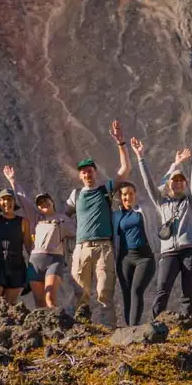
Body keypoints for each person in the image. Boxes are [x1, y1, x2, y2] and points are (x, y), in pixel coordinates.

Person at [132, 131, 192, 319]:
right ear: (169, 184)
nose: (178, 183)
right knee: (162, 290)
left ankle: (188, 326)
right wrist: (141, 157)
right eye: (175, 180)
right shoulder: (161, 201)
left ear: (185, 184)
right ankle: (157, 323)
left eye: (181, 181)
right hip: (169, 252)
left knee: (189, 293)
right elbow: (148, 184)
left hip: (191, 250)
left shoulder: (191, 201)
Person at [65, 119, 131, 326]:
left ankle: (109, 330)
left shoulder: (105, 191)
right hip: (81, 247)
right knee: (80, 293)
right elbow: (62, 216)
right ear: (80, 175)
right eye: (83, 171)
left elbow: (125, 169)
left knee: (104, 291)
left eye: (90, 170)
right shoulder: (75, 195)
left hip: (104, 246)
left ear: (95, 172)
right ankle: (81, 331)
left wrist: (121, 143)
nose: (87, 173)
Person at [0, 164, 76, 310]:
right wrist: (12, 181)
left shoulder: (63, 219)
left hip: (54, 260)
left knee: (50, 298)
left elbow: (75, 234)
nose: (44, 204)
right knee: (39, 303)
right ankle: (45, 331)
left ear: (52, 201)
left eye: (46, 201)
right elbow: (23, 200)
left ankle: (58, 326)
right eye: (40, 203)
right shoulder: (36, 217)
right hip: (35, 261)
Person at [0, 162, 33, 318]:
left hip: (16, 265)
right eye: (3, 199)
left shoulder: (23, 222)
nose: (7, 202)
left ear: (14, 202)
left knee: (9, 308)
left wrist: (36, 266)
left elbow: (28, 245)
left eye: (10, 199)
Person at [111, 181, 156, 325]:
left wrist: (175, 165)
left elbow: (157, 188)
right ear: (120, 196)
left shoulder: (143, 208)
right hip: (124, 258)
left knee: (136, 290)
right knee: (126, 294)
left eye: (131, 193)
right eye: (124, 194)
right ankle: (128, 328)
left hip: (144, 257)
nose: (128, 197)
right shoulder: (116, 215)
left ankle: (133, 328)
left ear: (135, 195)